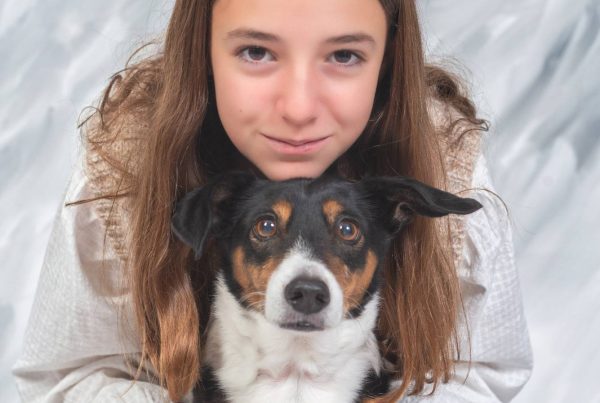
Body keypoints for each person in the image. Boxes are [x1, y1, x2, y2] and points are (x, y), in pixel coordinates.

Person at [12, 0, 533, 402]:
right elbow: (68, 378)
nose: (299, 108)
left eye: (344, 55)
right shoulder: (123, 172)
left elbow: (480, 377)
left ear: (388, 61)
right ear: (202, 54)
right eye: (256, 52)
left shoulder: (446, 163)